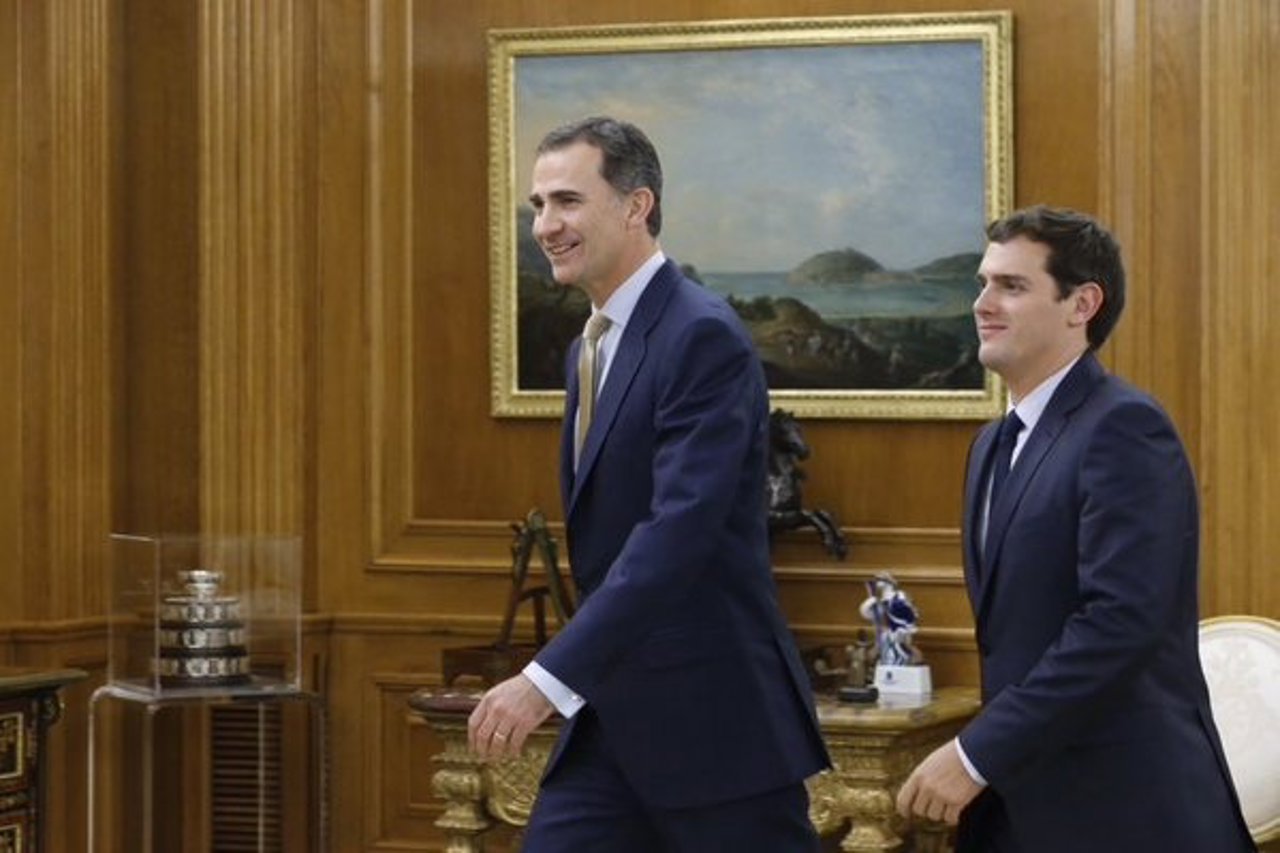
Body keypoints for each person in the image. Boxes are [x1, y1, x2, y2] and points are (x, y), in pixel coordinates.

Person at [467, 116, 830, 852]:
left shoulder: (702, 333)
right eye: (538, 204)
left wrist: (546, 677)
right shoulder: (588, 347)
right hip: (610, 717)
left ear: (636, 206)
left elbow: (677, 533)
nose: (545, 225)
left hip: (715, 725)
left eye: (567, 201)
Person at [896, 205, 1255, 852]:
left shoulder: (1124, 427)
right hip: (1021, 806)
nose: (982, 303)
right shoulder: (991, 444)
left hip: (1125, 811)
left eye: (1011, 285)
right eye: (983, 282)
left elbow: (1120, 621)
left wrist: (975, 754)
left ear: (1082, 304)